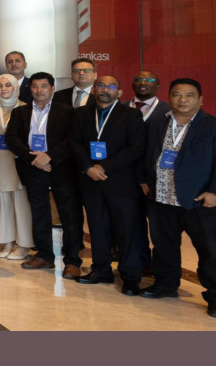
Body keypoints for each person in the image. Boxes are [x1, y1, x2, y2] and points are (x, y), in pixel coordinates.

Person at [139, 78, 216, 319]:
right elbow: (145, 153)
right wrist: (143, 179)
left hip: (198, 200)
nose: (182, 100)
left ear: (200, 99)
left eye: (189, 95)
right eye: (177, 94)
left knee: (210, 251)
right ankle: (166, 284)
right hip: (161, 197)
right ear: (169, 97)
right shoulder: (157, 123)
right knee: (163, 246)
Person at [68, 75, 147, 294]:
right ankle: (101, 269)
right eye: (101, 85)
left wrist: (104, 167)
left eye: (111, 86)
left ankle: (130, 276)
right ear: (94, 90)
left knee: (127, 230)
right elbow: (74, 143)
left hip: (121, 182)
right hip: (91, 181)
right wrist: (88, 167)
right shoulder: (81, 114)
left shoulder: (132, 115)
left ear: (119, 92)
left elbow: (135, 147)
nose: (105, 89)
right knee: (97, 228)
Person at [5, 72, 82, 279]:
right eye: (35, 86)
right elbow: (12, 138)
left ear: (52, 89)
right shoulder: (20, 112)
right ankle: (44, 255)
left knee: (69, 215)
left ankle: (72, 261)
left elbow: (72, 140)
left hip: (62, 169)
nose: (39, 90)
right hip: (33, 168)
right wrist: (33, 159)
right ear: (30, 89)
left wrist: (49, 157)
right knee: (39, 213)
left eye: (44, 86)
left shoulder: (68, 112)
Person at [0, 74, 33, 260]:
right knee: (0, 202)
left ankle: (24, 243)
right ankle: (6, 241)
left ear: (16, 88)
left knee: (21, 204)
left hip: (19, 162)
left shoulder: (26, 108)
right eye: (0, 85)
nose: (4, 89)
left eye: (8, 85)